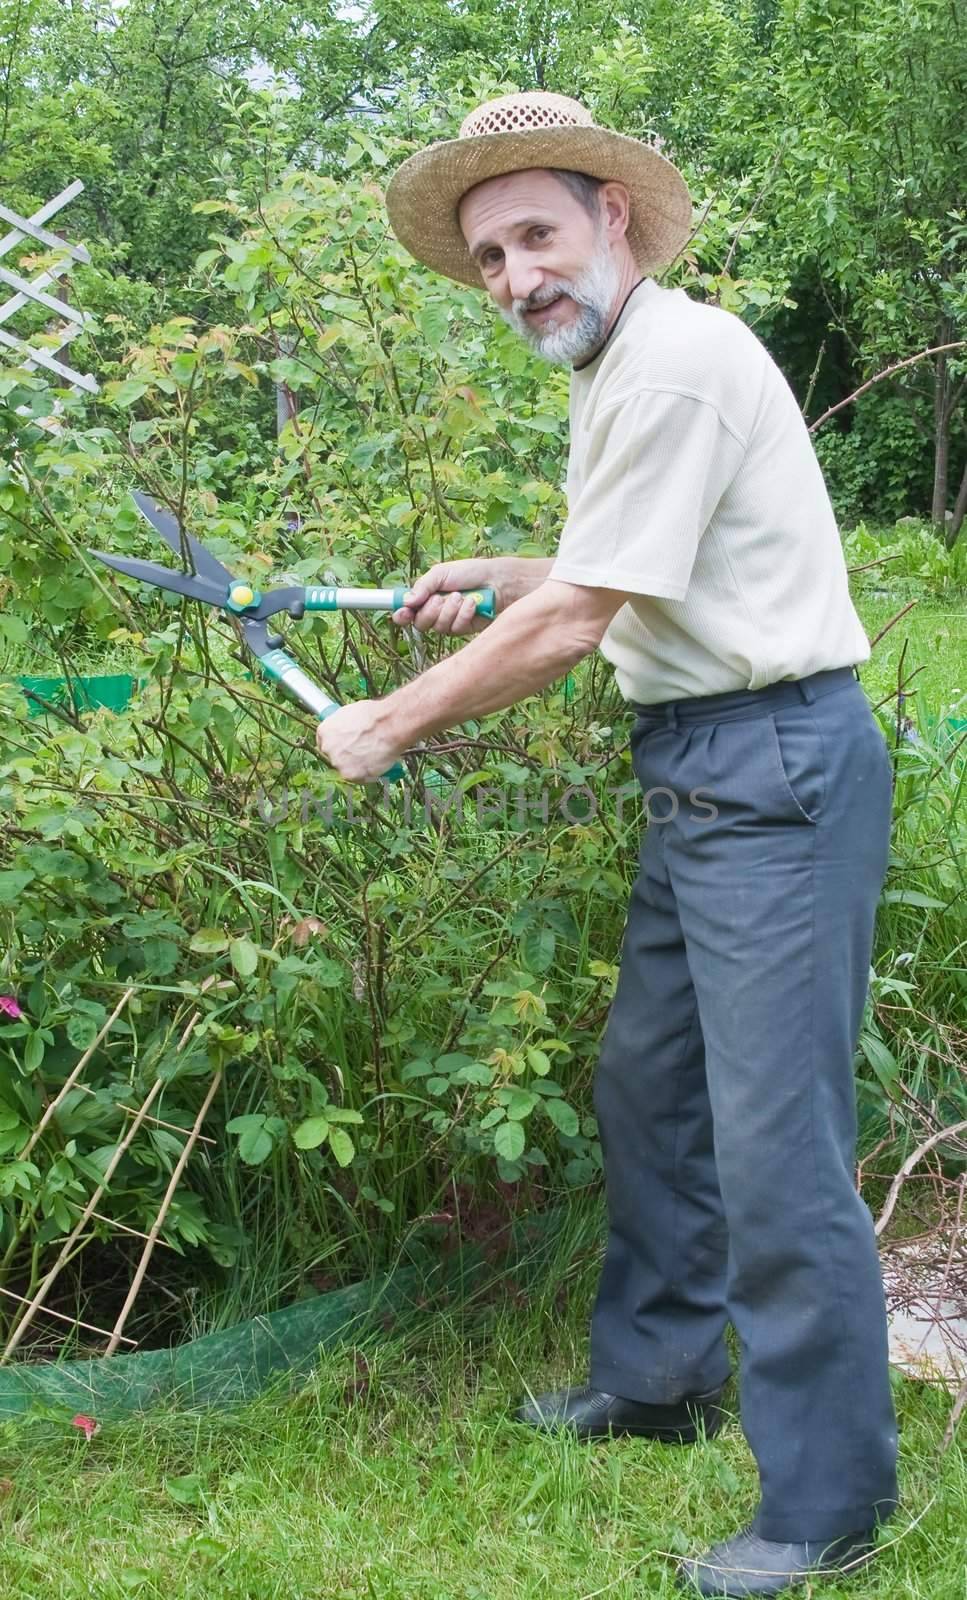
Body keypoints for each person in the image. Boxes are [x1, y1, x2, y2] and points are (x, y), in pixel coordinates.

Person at [315, 91, 899, 1598]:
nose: (516, 278)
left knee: (780, 1153)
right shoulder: (628, 362)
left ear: (613, 220)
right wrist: (512, 567)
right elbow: (624, 572)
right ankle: (657, 1381)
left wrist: (384, 724)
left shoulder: (676, 369)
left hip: (773, 767)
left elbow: (579, 624)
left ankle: (825, 1502)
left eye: (538, 236)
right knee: (653, 1093)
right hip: (704, 765)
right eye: (491, 256)